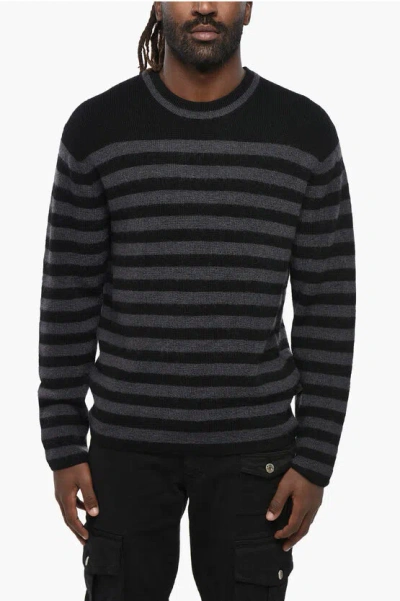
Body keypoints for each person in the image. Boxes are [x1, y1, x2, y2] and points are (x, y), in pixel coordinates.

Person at [37, 2, 356, 600]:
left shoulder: (305, 134)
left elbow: (328, 305)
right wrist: (62, 443)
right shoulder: (97, 130)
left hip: (255, 452)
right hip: (124, 449)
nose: (205, 6)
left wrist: (315, 459)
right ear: (158, 3)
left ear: (249, 6)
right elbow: (68, 294)